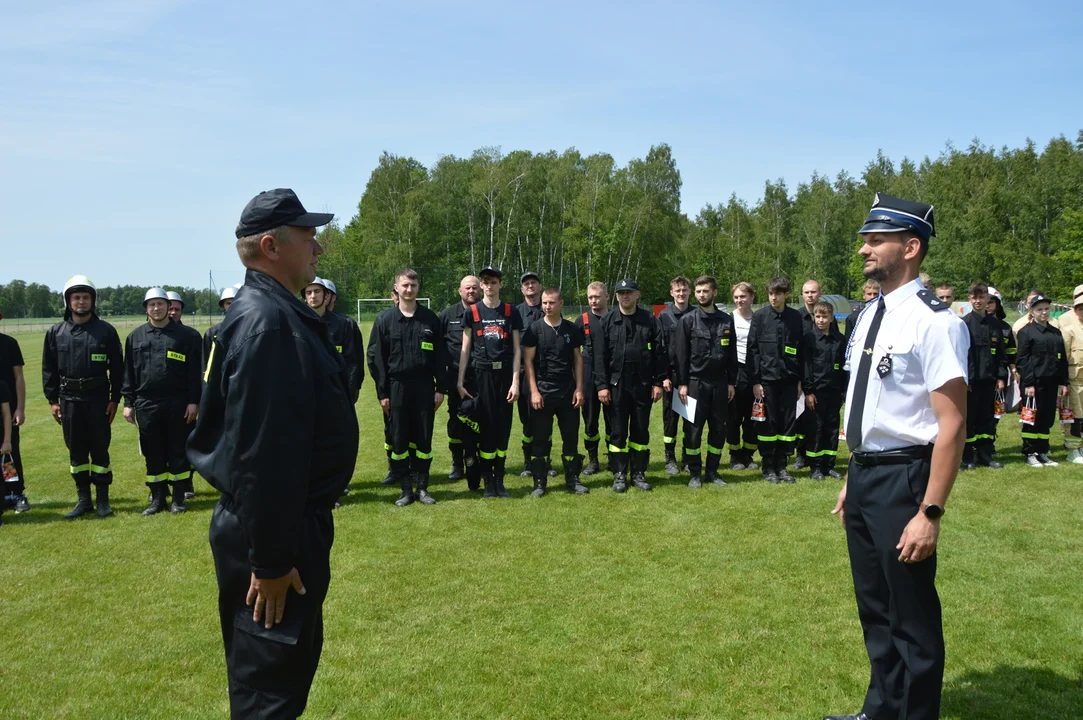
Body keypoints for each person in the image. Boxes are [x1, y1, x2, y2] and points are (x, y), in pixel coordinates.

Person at [188, 188, 357, 717]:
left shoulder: (274, 314)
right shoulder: (268, 323)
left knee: (281, 678)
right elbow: (264, 455)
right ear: (270, 246)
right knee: (269, 691)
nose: (319, 249)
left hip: (280, 529)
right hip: (273, 538)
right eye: (308, 236)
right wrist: (272, 560)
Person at [826, 192, 968, 720]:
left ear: (911, 247)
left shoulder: (937, 322)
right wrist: (852, 472)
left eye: (876, 239)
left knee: (912, 619)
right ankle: (880, 710)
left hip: (906, 481)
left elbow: (951, 423)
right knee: (877, 612)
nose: (865, 247)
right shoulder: (869, 315)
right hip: (865, 479)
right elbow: (871, 402)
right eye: (866, 238)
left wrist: (930, 512)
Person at [43, 275, 124, 520]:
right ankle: (83, 501)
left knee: (100, 450)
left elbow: (119, 369)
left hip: (98, 400)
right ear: (68, 302)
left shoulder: (106, 331)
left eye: (85, 297)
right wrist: (53, 400)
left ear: (93, 301)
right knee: (76, 452)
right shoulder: (56, 332)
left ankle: (103, 501)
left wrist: (114, 399)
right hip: (68, 401)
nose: (81, 302)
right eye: (76, 298)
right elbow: (48, 369)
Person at [367, 268, 446, 506]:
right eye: (404, 286)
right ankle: (405, 490)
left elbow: (442, 357)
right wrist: (383, 393)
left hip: (424, 386)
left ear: (418, 288)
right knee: (399, 439)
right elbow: (375, 358)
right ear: (396, 289)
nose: (409, 289)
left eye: (413, 285)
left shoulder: (430, 319)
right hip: (396, 387)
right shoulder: (384, 320)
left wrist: (440, 388)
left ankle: (422, 488)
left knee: (424, 438)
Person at [123, 288, 202, 515]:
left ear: (169, 307)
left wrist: (193, 401)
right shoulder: (135, 337)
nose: (156, 308)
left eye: (160, 304)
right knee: (152, 451)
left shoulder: (187, 336)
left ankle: (178, 499)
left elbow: (194, 373)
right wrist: (128, 403)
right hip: (146, 403)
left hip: (178, 403)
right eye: (152, 304)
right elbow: (128, 373)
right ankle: (157, 499)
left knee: (178, 450)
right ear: (146, 309)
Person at [593, 278, 668, 492]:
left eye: (629, 292)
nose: (625, 296)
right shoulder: (606, 322)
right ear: (615, 296)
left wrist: (657, 382)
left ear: (637, 295)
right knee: (617, 431)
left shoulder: (650, 320)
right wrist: (602, 386)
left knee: (640, 431)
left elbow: (659, 354)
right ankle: (619, 474)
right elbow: (599, 357)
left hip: (643, 384)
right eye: (621, 292)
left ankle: (638, 472)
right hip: (616, 385)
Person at [458, 267, 522, 498]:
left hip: (504, 377)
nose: (489, 286)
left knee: (503, 428)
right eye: (485, 282)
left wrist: (515, 382)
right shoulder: (473, 312)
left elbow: (517, 351)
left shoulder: (511, 312)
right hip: (481, 376)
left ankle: (500, 478)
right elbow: (465, 349)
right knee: (486, 429)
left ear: (500, 284)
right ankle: (488, 481)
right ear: (481, 285)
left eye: (494, 282)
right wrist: (460, 381)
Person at [522, 287, 588, 496]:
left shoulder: (571, 329)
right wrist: (534, 391)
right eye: (544, 303)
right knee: (540, 439)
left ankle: (572, 479)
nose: (547, 306)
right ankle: (539, 483)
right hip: (543, 391)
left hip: (568, 391)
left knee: (570, 438)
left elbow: (578, 360)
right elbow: (528, 362)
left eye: (551, 302)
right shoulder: (534, 329)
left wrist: (579, 388)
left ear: (561, 303)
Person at [673, 276, 736, 488]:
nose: (701, 294)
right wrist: (682, 383)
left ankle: (712, 471)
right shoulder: (687, 320)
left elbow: (732, 355)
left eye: (705, 291)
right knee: (693, 430)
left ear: (714, 293)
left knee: (719, 429)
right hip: (694, 383)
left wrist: (731, 382)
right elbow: (680, 355)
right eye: (698, 291)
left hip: (719, 383)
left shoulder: (726, 320)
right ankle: (694, 473)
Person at [748, 276, 804, 483]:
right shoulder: (760, 317)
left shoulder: (795, 318)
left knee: (787, 425)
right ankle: (768, 466)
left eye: (778, 294)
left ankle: (782, 466)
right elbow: (752, 350)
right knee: (768, 425)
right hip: (767, 381)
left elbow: (801, 351)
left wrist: (800, 380)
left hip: (789, 379)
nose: (773, 297)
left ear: (786, 295)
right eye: (771, 293)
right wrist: (755, 381)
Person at [1015, 294, 1069, 467]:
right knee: (1032, 418)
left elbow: (1062, 359)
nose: (1044, 312)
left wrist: (1064, 382)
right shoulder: (1026, 332)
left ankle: (1042, 451)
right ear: (1031, 311)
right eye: (1039, 309)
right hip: (1034, 383)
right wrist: (1029, 383)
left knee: (1046, 418)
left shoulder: (1055, 332)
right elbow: (1023, 359)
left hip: (1051, 382)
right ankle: (1030, 452)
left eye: (1046, 309)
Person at [959, 283, 1007, 470]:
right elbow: (963, 354)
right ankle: (967, 458)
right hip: (972, 382)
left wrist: (1001, 377)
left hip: (990, 381)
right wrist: (967, 379)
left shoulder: (995, 325)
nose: (978, 301)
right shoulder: (963, 323)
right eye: (974, 297)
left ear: (988, 299)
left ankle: (985, 455)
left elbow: (1001, 355)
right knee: (969, 419)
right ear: (969, 299)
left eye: (981, 297)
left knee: (987, 419)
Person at [439, 275, 480, 482]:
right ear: (460, 291)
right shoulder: (447, 315)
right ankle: (457, 463)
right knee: (456, 421)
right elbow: (438, 349)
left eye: (474, 288)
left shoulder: (486, 312)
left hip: (482, 377)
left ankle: (478, 460)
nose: (471, 291)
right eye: (467, 288)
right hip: (455, 378)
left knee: (482, 420)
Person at [803, 300, 847, 480]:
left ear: (831, 318)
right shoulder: (809, 338)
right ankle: (815, 467)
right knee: (816, 429)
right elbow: (806, 366)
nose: (821, 320)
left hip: (834, 391)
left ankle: (829, 465)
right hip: (816, 392)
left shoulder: (839, 339)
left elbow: (845, 367)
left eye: (824, 316)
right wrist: (808, 392)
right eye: (818, 316)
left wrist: (843, 391)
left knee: (832, 429)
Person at [575, 282, 612, 476]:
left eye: (597, 297)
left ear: (607, 297)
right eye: (590, 297)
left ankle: (614, 458)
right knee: (590, 420)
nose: (593, 301)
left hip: (612, 372)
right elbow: (573, 353)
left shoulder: (615, 318)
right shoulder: (581, 321)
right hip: (588, 372)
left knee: (613, 420)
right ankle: (593, 459)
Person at [658, 276, 692, 476]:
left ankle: (687, 458)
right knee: (670, 420)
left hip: (691, 376)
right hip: (670, 376)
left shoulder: (696, 314)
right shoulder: (664, 316)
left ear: (690, 292)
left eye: (684, 290)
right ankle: (669, 458)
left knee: (690, 420)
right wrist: (663, 376)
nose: (681, 294)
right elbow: (660, 349)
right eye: (677, 290)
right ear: (671, 293)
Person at [794, 279, 828, 471]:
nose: (810, 295)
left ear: (819, 293)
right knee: (800, 418)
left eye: (813, 292)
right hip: (800, 373)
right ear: (802, 294)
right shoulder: (796, 317)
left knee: (819, 418)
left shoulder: (825, 316)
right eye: (806, 292)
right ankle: (801, 455)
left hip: (821, 375)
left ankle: (818, 452)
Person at [516, 271, 545, 478]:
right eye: (526, 283)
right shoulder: (516, 313)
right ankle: (528, 462)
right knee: (527, 421)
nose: (530, 286)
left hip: (548, 374)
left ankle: (545, 460)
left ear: (540, 286)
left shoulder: (550, 309)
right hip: (525, 374)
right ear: (521, 289)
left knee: (545, 421)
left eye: (533, 282)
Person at [727, 282, 759, 470]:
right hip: (735, 371)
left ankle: (748, 455)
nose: (739, 300)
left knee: (753, 418)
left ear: (751, 297)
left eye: (743, 296)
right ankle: (735, 455)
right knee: (733, 417)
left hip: (753, 372)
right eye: (737, 297)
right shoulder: (729, 319)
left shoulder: (758, 319)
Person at [0, 313, 29, 513]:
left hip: (6, 410)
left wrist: (20, 407)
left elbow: (18, 377)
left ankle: (15, 494)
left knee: (9, 455)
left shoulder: (9, 344)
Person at [321, 278, 366, 404]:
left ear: (333, 297)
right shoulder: (303, 322)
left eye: (326, 293)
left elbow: (355, 360)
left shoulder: (347, 324)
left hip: (340, 390)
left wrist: (353, 388)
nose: (321, 296)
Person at [1060, 284, 1083, 464]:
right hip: (1074, 380)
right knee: (1073, 416)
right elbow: (1063, 359)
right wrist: (1064, 382)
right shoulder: (1069, 330)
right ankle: (1072, 450)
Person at [203, 286, 237, 370]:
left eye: (235, 302)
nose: (232, 306)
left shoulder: (249, 329)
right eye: (228, 303)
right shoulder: (212, 333)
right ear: (223, 306)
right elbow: (206, 364)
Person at [845, 280, 881, 344]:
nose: (872, 297)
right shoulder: (853, 318)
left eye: (875, 294)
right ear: (864, 295)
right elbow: (848, 341)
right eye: (869, 294)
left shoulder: (886, 315)